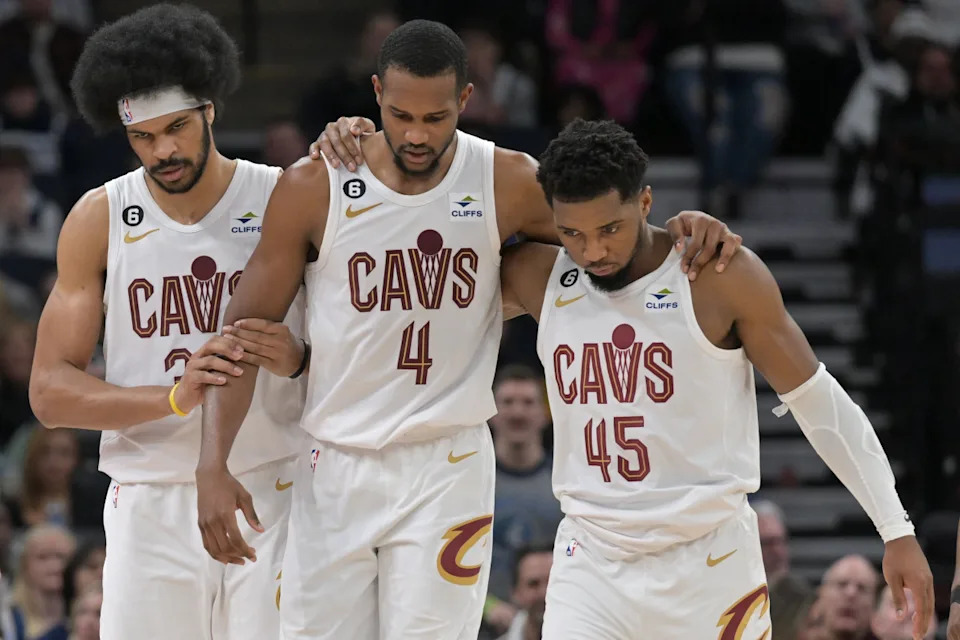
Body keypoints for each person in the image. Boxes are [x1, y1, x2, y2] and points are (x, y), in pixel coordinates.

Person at [194, 18, 741, 640]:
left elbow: (604, 242)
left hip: (446, 461)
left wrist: (683, 231)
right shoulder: (315, 184)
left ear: (465, 100)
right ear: (375, 94)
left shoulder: (507, 178)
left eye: (435, 118)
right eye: (401, 115)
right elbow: (237, 334)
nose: (417, 134)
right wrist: (212, 464)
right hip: (334, 460)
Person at [497, 118, 934, 639]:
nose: (592, 251)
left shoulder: (717, 276)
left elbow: (820, 403)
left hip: (709, 560)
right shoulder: (538, 276)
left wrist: (895, 529)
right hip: (590, 560)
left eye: (609, 229)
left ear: (644, 202)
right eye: (573, 233)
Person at [28, 5, 310, 639]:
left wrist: (299, 357)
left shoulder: (283, 196)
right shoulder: (99, 217)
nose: (164, 151)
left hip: (272, 480)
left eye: (177, 127)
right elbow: (48, 393)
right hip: (149, 494)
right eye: (143, 137)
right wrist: (174, 399)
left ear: (210, 107)